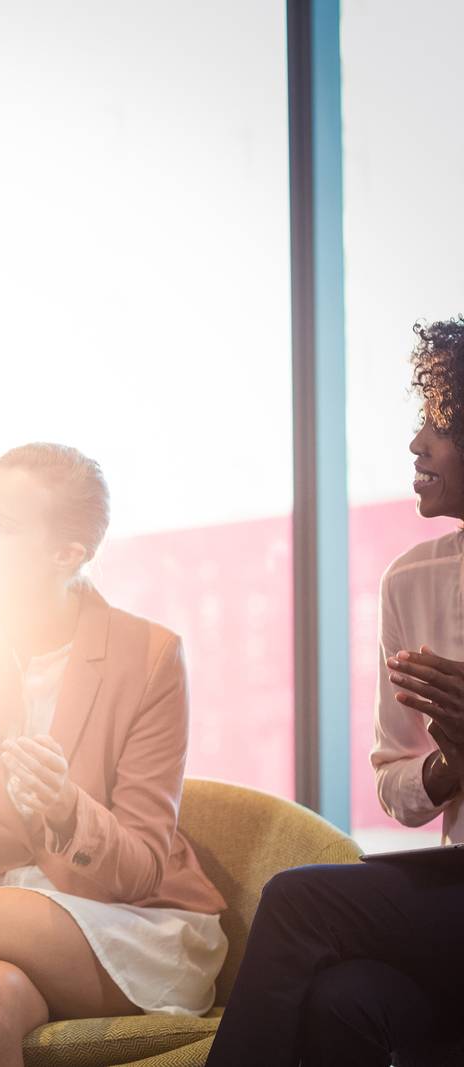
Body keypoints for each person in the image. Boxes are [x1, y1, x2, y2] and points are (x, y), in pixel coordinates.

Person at [0, 443, 227, 1067]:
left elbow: (144, 867)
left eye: (3, 525)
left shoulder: (148, 656)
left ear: (67, 555)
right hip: (2, 914)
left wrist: (69, 809)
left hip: (134, 923)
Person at [208, 317, 464, 1066]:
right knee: (340, 1000)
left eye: (441, 424)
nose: (418, 444)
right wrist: (453, 762)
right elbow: (396, 784)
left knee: (298, 900)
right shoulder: (413, 581)